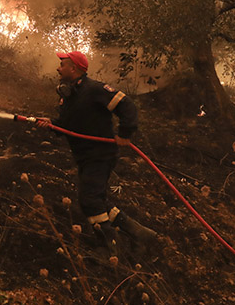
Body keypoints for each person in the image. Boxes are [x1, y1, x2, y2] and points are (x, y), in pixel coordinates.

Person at [35, 50, 158, 250]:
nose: (58, 68)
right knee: (96, 198)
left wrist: (125, 133)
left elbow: (127, 106)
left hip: (100, 155)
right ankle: (140, 233)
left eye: (63, 64)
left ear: (74, 68)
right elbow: (68, 126)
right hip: (85, 156)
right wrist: (52, 124)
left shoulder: (94, 89)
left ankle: (112, 249)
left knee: (89, 200)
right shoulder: (69, 96)